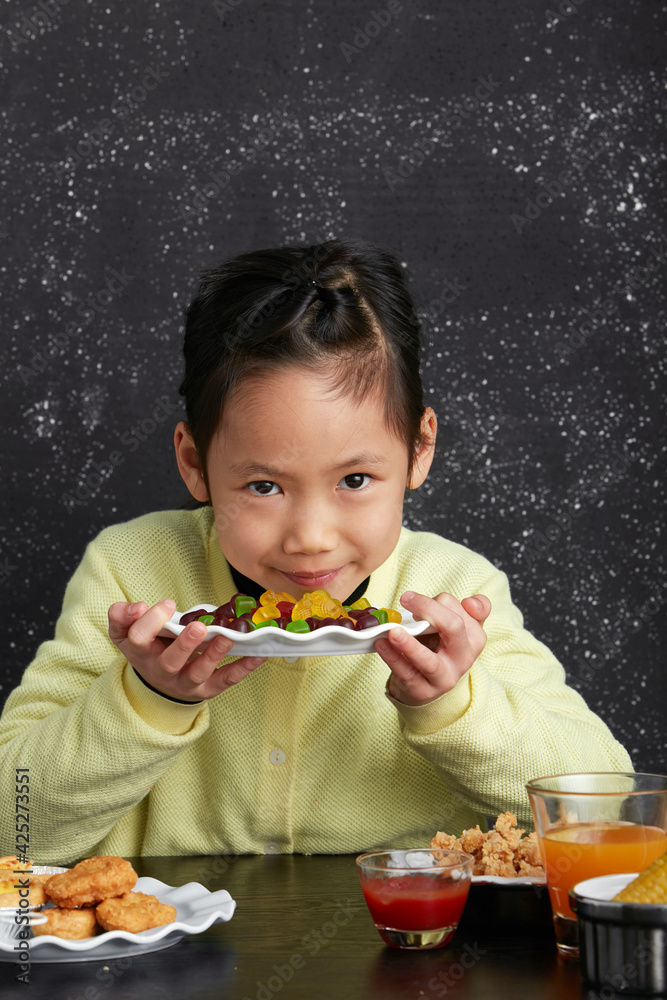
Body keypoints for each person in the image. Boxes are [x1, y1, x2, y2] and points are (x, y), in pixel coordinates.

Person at [0, 237, 631, 863]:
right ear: (195, 463)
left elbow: (605, 805)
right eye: (264, 486)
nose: (310, 537)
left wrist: (454, 702)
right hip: (168, 929)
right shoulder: (130, 572)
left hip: (395, 927)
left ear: (418, 450)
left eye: (354, 480)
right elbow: (12, 828)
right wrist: (149, 696)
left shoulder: (456, 593)